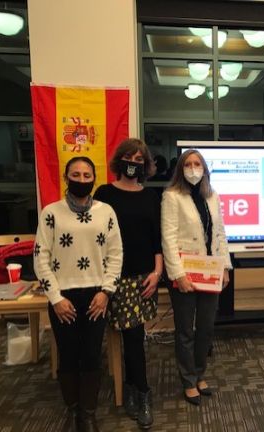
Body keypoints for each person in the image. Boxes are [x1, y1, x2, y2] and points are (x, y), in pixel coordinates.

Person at [34, 156, 122, 432]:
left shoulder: (106, 211)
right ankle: (72, 409)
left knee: (91, 355)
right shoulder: (51, 212)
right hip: (64, 298)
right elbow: (40, 258)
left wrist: (107, 292)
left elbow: (116, 254)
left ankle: (88, 413)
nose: (82, 180)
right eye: (76, 174)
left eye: (87, 175)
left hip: (97, 296)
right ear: (66, 177)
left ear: (94, 178)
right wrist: (56, 298)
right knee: (69, 356)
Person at [93, 138, 162, 430]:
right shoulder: (104, 193)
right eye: (129, 158)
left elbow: (156, 239)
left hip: (143, 277)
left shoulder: (150, 196)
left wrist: (158, 272)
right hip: (111, 277)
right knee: (129, 337)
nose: (133, 163)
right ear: (119, 161)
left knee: (133, 336)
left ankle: (139, 392)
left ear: (145, 165)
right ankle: (136, 389)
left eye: (139, 159)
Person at [161, 149, 232, 406]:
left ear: (204, 168)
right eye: (188, 164)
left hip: (210, 271)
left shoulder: (212, 196)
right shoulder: (171, 197)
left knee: (206, 328)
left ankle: (200, 373)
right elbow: (168, 238)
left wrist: (225, 267)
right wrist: (177, 274)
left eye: (197, 164)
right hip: (185, 273)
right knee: (185, 331)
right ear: (181, 169)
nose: (193, 168)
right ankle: (188, 380)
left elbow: (220, 234)